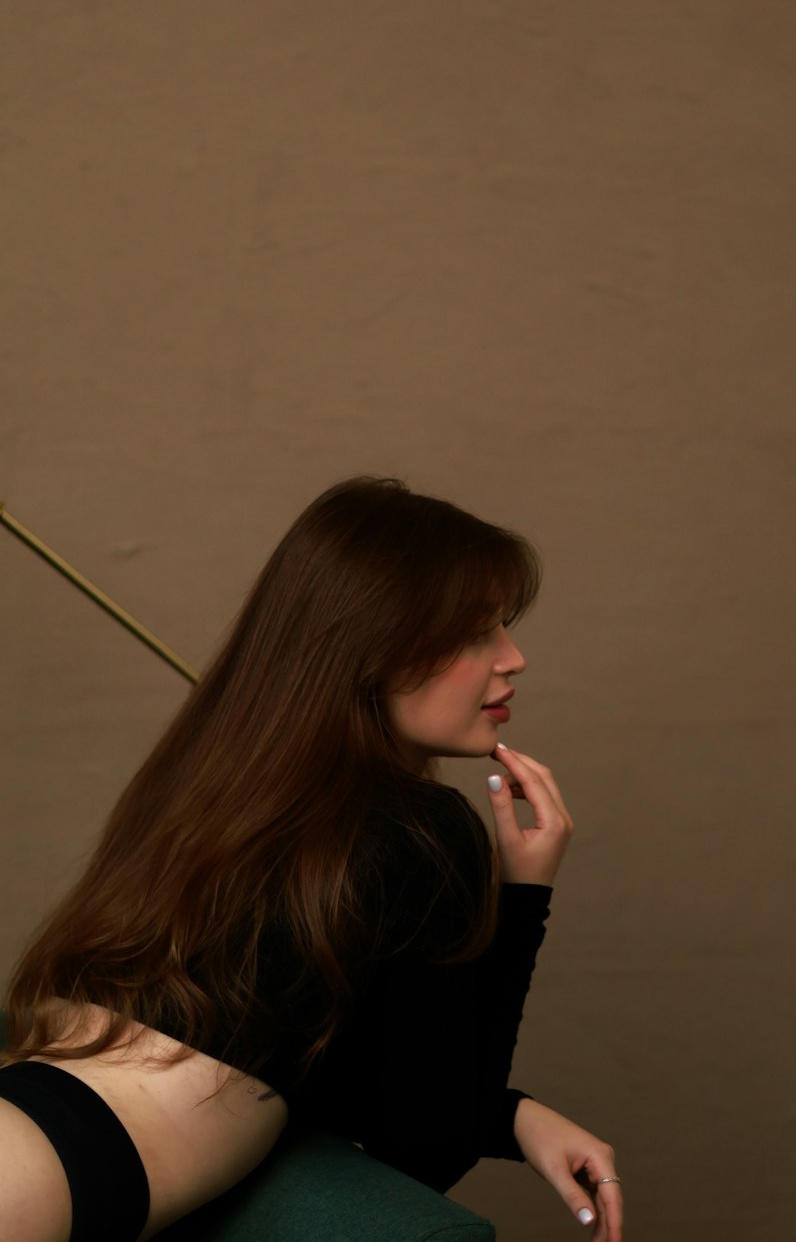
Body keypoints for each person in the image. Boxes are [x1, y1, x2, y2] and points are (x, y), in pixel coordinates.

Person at [0, 477, 623, 1242]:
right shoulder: (423, 829)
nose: (514, 658)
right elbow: (425, 1144)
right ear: (375, 650)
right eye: (474, 632)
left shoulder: (214, 787)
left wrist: (512, 1114)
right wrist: (524, 898)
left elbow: (313, 1061)